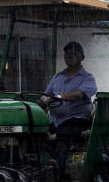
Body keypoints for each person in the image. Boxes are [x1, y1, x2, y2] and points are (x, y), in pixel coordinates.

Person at [41, 41, 97, 173]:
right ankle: (36, 163)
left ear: (81, 57)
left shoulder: (87, 78)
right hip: (54, 119)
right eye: (67, 55)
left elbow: (79, 94)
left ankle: (56, 166)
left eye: (73, 54)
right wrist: (45, 100)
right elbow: (44, 95)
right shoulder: (57, 77)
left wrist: (58, 97)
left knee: (64, 132)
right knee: (36, 131)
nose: (69, 57)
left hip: (77, 119)